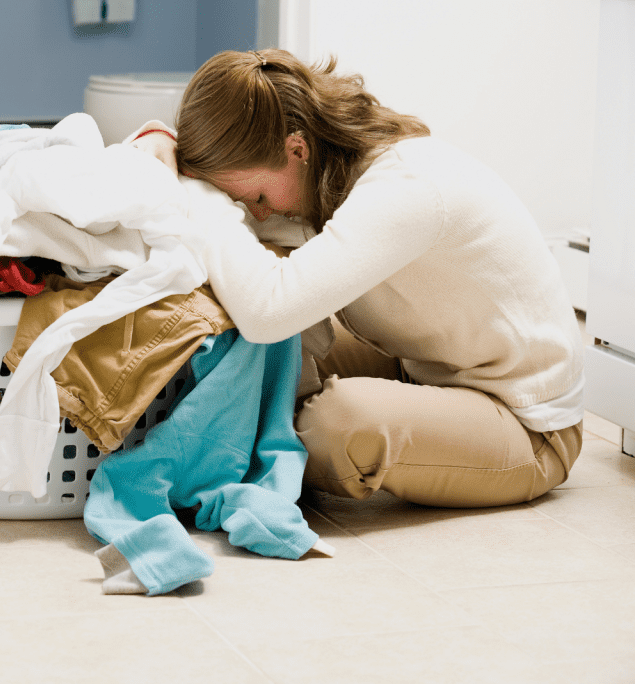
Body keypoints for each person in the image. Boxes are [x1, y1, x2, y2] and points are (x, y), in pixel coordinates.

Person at [127, 48, 584, 508]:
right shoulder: (319, 176)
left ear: (297, 149)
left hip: (526, 421)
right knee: (248, 362)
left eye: (258, 195)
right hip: (424, 368)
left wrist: (203, 200)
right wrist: (160, 138)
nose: (258, 212)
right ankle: (265, 440)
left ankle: (270, 445)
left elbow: (269, 310)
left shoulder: (406, 188)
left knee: (336, 424)